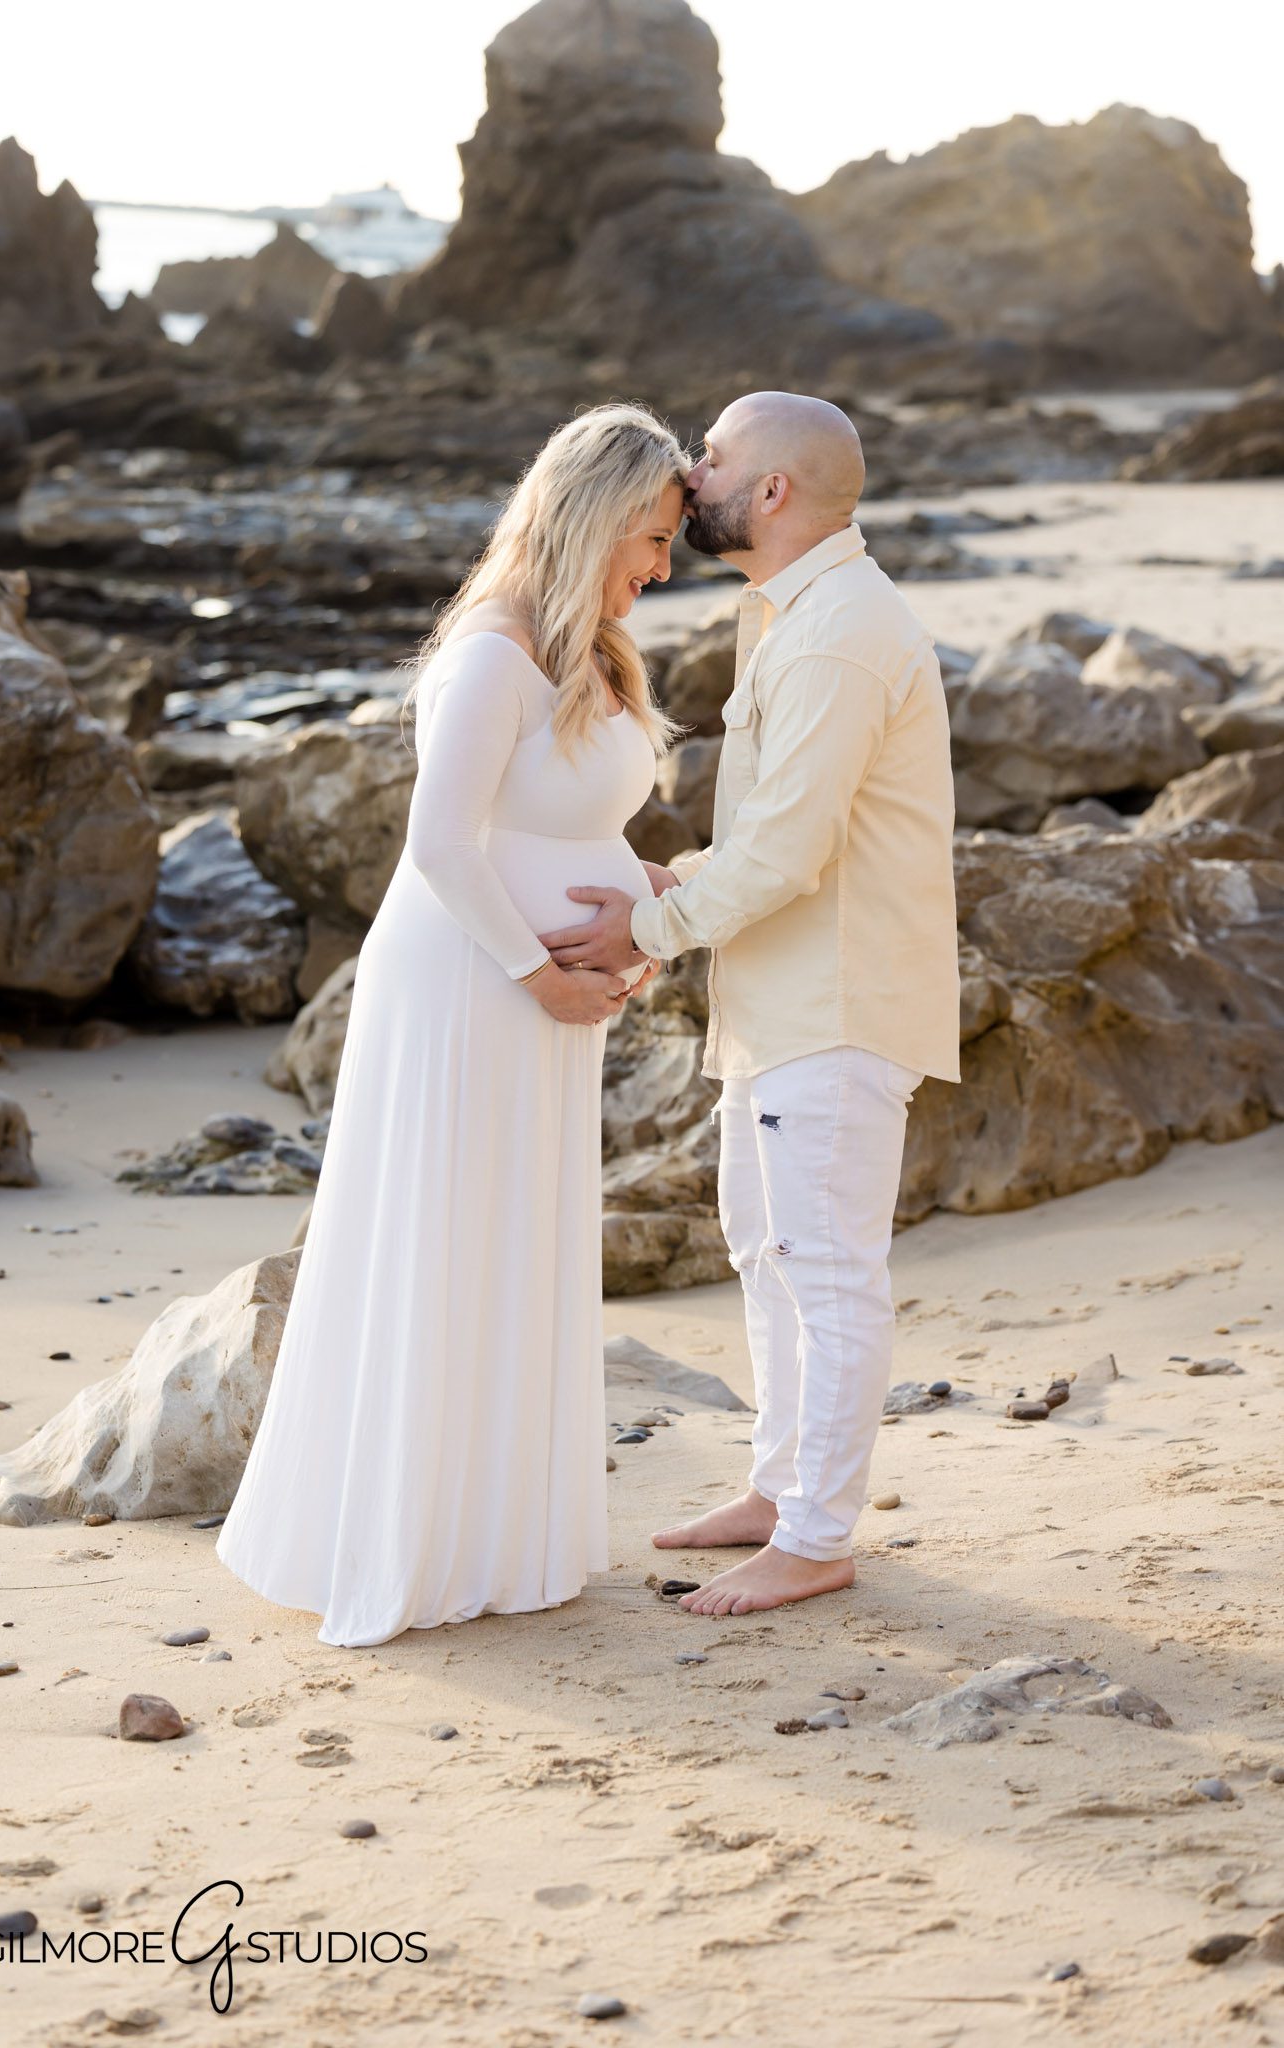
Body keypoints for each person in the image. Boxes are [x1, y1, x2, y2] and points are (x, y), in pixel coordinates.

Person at [215, 403, 689, 1646]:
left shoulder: (591, 650)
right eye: (651, 533)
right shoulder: (493, 651)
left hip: (543, 991)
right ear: (589, 515)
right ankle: (412, 1542)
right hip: (472, 987)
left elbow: (571, 825)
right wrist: (544, 970)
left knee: (515, 1240)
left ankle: (500, 1536)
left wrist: (650, 904)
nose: (663, 563)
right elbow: (441, 845)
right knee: (445, 1235)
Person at [537, 390, 962, 1619]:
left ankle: (820, 1533)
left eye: (713, 456)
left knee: (826, 1270)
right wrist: (682, 882)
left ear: (772, 492)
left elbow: (787, 853)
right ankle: (781, 1492)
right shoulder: (793, 612)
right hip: (781, 999)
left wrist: (650, 925)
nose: (693, 468)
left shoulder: (834, 631)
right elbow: (774, 838)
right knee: (765, 1253)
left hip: (833, 1004)